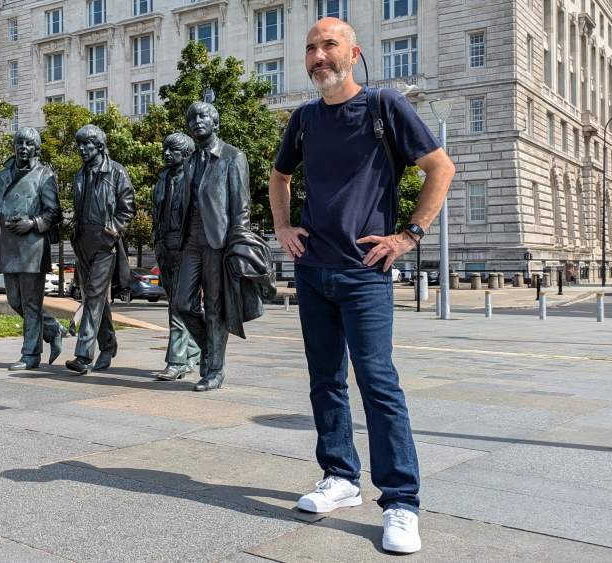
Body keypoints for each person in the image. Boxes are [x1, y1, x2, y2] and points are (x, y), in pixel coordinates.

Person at [268, 18, 455, 554]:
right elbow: (279, 176)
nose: (318, 55)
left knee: (377, 383)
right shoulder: (303, 119)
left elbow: (440, 168)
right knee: (324, 380)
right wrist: (283, 228)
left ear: (353, 53)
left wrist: (408, 235)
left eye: (328, 45)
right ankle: (341, 478)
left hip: (364, 273)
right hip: (313, 271)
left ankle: (400, 501)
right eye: (310, 48)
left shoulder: (384, 108)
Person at [174, 102, 252, 392]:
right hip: (192, 239)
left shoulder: (233, 157)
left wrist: (238, 242)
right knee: (182, 302)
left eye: (202, 116)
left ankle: (215, 369)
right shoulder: (190, 160)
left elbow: (241, 206)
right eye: (191, 117)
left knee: (215, 307)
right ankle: (210, 348)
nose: (196, 121)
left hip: (219, 240)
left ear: (215, 121)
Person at [0, 127, 64, 370]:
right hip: (9, 244)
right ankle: (53, 329)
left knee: (31, 303)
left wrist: (32, 223)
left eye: (28, 143)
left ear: (36, 148)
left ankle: (31, 355)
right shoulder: (2, 176)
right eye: (19, 142)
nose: (23, 147)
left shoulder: (45, 176)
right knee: (14, 300)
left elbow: (54, 213)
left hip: (32, 246)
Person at [65, 125, 136, 375]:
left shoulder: (116, 172)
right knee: (94, 297)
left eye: (87, 144)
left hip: (105, 241)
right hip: (83, 239)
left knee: (94, 294)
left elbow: (127, 208)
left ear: (99, 146)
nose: (83, 149)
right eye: (80, 145)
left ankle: (83, 355)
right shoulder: (79, 174)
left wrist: (113, 230)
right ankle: (108, 344)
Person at [152, 133, 201, 381]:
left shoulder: (195, 180)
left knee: (177, 308)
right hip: (165, 247)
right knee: (179, 305)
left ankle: (176, 361)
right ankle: (197, 349)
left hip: (186, 249)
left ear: (186, 155)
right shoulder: (163, 179)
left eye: (172, 151)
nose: (166, 154)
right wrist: (156, 241)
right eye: (165, 150)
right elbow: (156, 212)